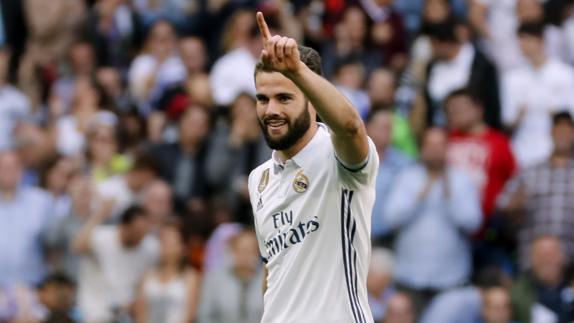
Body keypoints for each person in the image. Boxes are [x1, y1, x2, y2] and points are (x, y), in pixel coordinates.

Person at [247, 12, 379, 322]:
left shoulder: (337, 155)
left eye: (284, 98)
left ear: (312, 102)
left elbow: (350, 126)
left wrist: (297, 70)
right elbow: (273, 270)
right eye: (263, 99)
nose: (271, 110)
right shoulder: (258, 179)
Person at [383, 128, 482, 311]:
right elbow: (391, 219)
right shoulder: (407, 177)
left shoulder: (461, 180)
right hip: (409, 275)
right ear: (422, 148)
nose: (435, 150)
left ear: (447, 148)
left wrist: (450, 197)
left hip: (451, 278)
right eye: (430, 145)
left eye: (440, 145)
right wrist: (419, 196)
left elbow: (472, 223)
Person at [498, 111, 574, 266]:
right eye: (558, 130)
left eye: (567, 131)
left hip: (571, 262)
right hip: (532, 260)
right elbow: (502, 204)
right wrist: (513, 207)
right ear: (550, 133)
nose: (563, 135)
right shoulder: (530, 171)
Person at [501, 21, 574, 168]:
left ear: (540, 40)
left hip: (557, 150)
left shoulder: (565, 74)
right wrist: (518, 116)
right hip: (522, 150)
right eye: (520, 40)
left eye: (527, 39)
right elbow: (507, 120)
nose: (523, 45)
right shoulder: (511, 78)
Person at [72, 204, 159, 323]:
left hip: (124, 315)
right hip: (93, 312)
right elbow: (77, 247)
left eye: (144, 232)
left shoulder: (150, 247)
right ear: (124, 226)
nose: (141, 237)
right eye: (137, 231)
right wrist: (99, 215)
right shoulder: (102, 237)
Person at [445, 88, 516, 221]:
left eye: (460, 108)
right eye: (451, 110)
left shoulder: (499, 142)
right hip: (451, 221)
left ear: (478, 109)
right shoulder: (444, 140)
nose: (455, 113)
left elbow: (513, 179)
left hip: (489, 224)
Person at [0, 150, 53, 286]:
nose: (9, 172)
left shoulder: (41, 201)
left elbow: (53, 243)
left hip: (33, 285)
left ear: (22, 170)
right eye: (4, 167)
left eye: (14, 167)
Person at [134, 223, 200, 323]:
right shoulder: (147, 275)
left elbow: (189, 316)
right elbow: (140, 313)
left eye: (171, 242)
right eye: (163, 241)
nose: (166, 246)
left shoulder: (190, 277)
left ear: (182, 247)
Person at [198, 228, 264, 323]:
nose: (245, 255)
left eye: (250, 250)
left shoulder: (267, 279)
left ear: (258, 253)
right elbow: (204, 315)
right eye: (240, 249)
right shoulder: (214, 279)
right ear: (232, 251)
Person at [366, 109, 412, 241]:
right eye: (381, 127)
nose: (386, 132)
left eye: (389, 128)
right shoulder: (350, 158)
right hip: (351, 236)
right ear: (367, 127)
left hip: (389, 238)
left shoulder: (405, 163)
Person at [511, 236, 574, 323]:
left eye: (551, 254)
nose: (547, 260)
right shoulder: (517, 294)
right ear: (531, 260)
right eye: (541, 255)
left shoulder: (571, 286)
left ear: (562, 257)